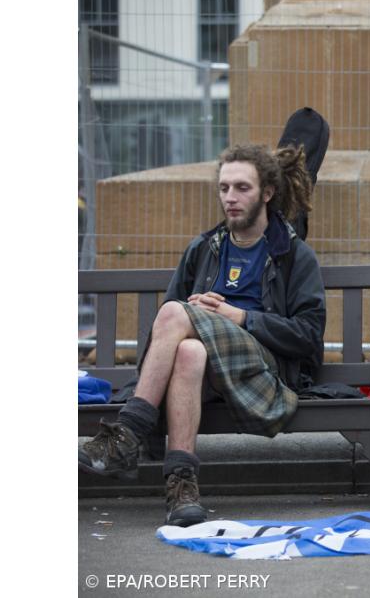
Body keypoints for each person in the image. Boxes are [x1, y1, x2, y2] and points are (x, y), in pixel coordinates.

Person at [78, 144, 327, 527]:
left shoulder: (293, 254)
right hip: (208, 374)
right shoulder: (205, 248)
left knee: (178, 313)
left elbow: (308, 336)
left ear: (267, 193)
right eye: (224, 187)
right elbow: (168, 325)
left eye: (242, 188)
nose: (230, 197)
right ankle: (182, 487)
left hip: (264, 377)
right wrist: (199, 314)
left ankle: (127, 433)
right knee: (190, 350)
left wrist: (240, 316)